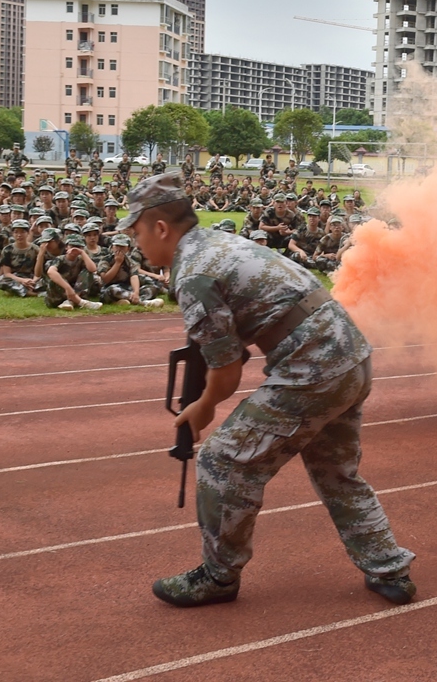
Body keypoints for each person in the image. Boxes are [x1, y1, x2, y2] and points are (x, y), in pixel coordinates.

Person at [123, 173, 415, 608]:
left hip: (314, 369)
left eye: (136, 231)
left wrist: (202, 408)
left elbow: (226, 373)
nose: (135, 242)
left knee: (224, 461)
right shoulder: (221, 244)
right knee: (337, 472)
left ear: (160, 228)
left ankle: (218, 577)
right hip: (351, 355)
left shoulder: (194, 272)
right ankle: (389, 568)